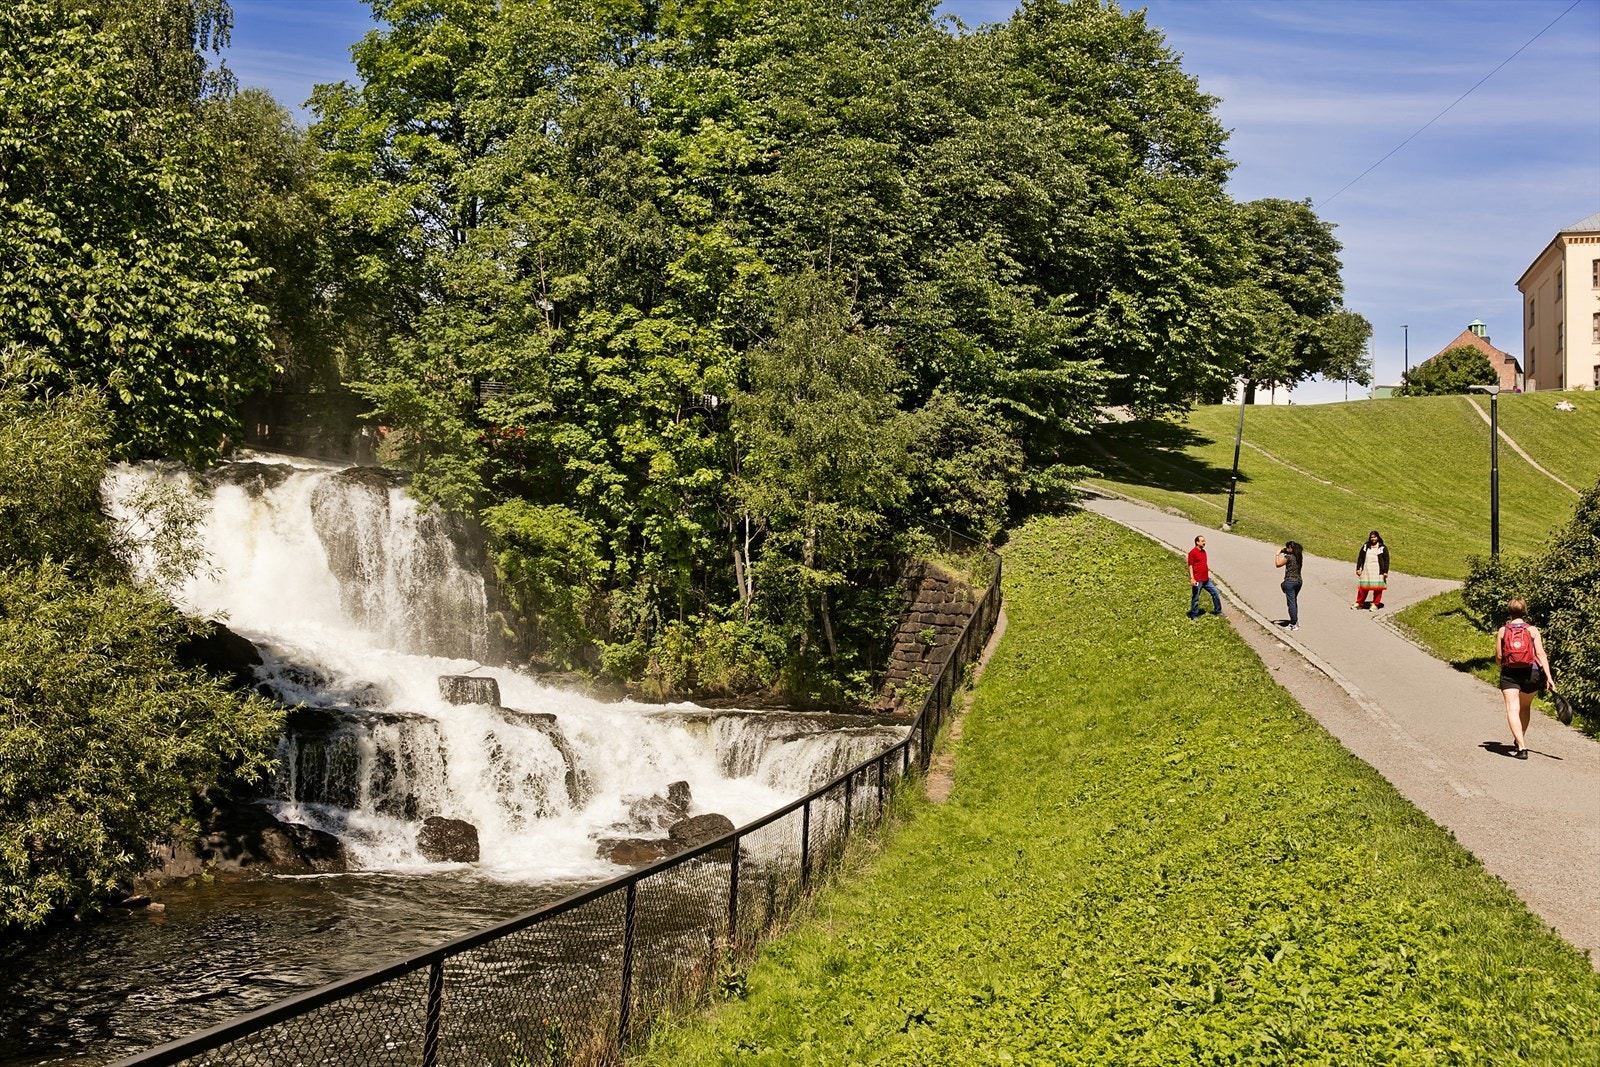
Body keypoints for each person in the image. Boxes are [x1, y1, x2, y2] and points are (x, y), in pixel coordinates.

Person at [1494, 598, 1555, 760]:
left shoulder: (1503, 630)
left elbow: (1499, 655)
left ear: (1509, 611)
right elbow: (1541, 654)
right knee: (1525, 707)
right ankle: (1519, 737)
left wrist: (1502, 668)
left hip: (1510, 673)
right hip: (1532, 673)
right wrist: (1549, 677)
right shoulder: (1533, 630)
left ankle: (1521, 746)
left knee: (1512, 709)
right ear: (1525, 610)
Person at [1186, 535, 1223, 619]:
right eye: (1202, 541)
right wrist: (1192, 578)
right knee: (1195, 598)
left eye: (1204, 541)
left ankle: (1218, 611)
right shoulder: (1192, 553)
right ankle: (1194, 614)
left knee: (1215, 592)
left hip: (1206, 579)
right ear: (1197, 542)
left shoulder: (1203, 552)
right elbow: (1190, 566)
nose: (1204, 543)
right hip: (1198, 579)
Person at [1352, 530, 1389, 609]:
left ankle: (1375, 603)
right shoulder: (1366, 546)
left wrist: (1385, 571)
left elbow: (1386, 560)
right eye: (1371, 537)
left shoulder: (1382, 547)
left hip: (1378, 570)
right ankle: (1359, 603)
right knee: (1363, 588)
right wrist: (1358, 568)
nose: (1373, 539)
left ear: (1378, 537)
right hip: (1367, 569)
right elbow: (1360, 557)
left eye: (1374, 537)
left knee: (1377, 589)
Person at [1274, 540, 1303, 631]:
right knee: (1293, 602)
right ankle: (1295, 620)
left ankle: (1293, 624)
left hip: (1290, 582)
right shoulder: (1299, 557)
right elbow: (1286, 550)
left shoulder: (1289, 557)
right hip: (1298, 582)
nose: (1286, 549)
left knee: (1291, 603)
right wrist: (1283, 550)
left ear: (1291, 549)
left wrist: (1277, 554)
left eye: (1287, 547)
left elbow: (1278, 565)